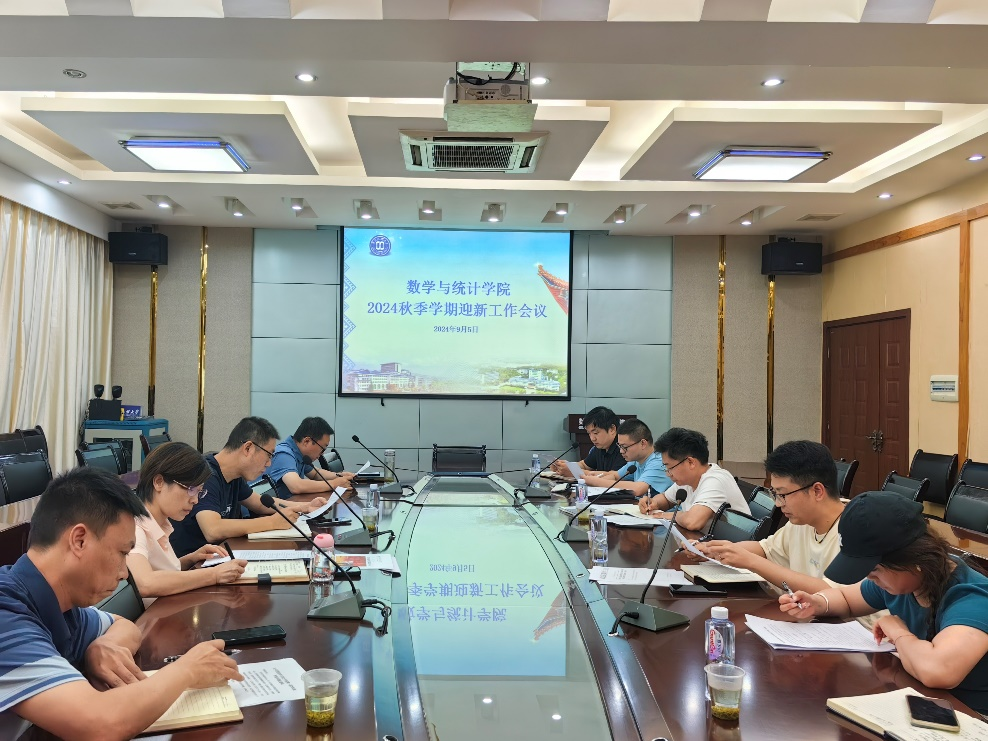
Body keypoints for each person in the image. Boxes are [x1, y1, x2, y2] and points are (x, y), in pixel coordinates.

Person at [0, 467, 242, 741]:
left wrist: (104, 645)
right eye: (121, 553)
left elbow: (123, 626)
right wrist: (188, 670)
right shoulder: (6, 613)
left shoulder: (63, 605)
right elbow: (99, 724)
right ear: (79, 540)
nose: (125, 573)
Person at [781, 491, 988, 714]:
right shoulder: (904, 581)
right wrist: (817, 603)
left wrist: (897, 631)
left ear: (914, 558)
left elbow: (938, 671)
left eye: (875, 571)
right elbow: (846, 599)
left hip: (972, 716)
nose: (870, 579)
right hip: (925, 704)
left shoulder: (971, 597)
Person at [695, 440, 842, 592]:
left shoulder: (851, 531)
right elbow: (765, 549)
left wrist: (752, 561)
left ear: (817, 491)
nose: (777, 504)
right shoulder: (801, 521)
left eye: (783, 494)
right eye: (775, 494)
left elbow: (833, 592)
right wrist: (716, 550)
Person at [169, 416, 326, 558]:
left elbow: (260, 503)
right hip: (192, 566)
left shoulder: (234, 476)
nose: (269, 463)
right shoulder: (207, 475)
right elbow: (212, 529)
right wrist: (273, 522)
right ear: (248, 448)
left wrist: (305, 507)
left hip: (220, 556)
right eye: (269, 455)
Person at [127, 442, 247, 602]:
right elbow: (145, 583)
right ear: (159, 482)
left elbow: (162, 571)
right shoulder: (134, 527)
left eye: (199, 492)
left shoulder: (160, 522)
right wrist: (214, 575)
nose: (195, 500)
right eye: (191, 489)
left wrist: (190, 559)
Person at [638, 427, 750, 531]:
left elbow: (693, 522)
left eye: (670, 468)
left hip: (734, 544)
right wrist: (653, 503)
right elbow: (666, 499)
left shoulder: (715, 480)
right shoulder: (688, 479)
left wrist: (666, 515)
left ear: (691, 462)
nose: (668, 474)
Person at [266, 417, 354, 499]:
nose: (322, 454)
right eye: (322, 449)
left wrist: (340, 475)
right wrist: (334, 484)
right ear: (306, 441)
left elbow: (316, 474)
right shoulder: (284, 454)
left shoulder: (299, 454)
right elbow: (296, 486)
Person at [583, 420, 671, 497]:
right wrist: (595, 476)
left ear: (643, 443)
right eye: (619, 446)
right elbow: (615, 476)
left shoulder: (659, 462)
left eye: (624, 447)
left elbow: (638, 489)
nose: (621, 451)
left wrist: (596, 482)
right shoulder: (636, 461)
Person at [550, 406, 625, 476]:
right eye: (589, 433)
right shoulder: (601, 447)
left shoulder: (624, 447)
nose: (592, 438)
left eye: (596, 433)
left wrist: (575, 471)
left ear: (612, 429)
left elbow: (614, 476)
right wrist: (565, 466)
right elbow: (584, 465)